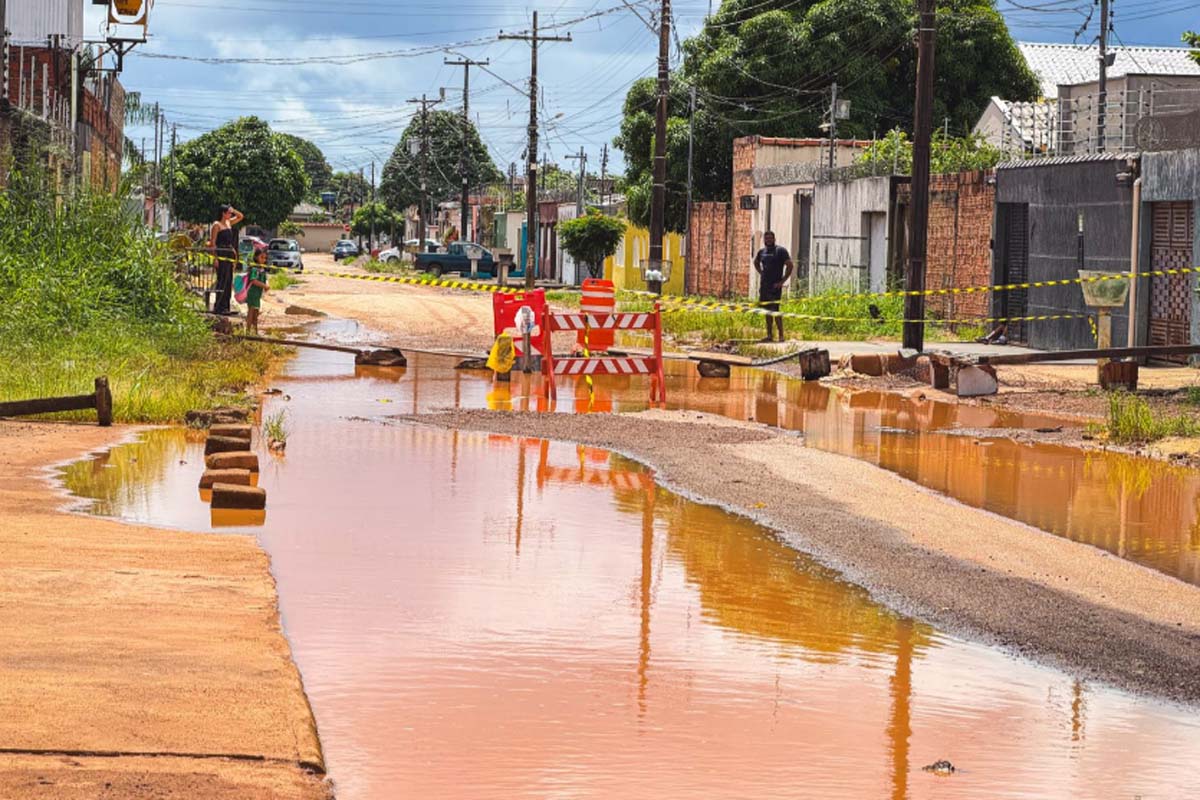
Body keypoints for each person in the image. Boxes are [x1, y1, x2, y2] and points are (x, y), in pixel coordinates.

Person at [753, 231, 794, 342]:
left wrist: (782, 281)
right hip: (764, 286)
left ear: (774, 239)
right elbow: (755, 262)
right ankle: (769, 335)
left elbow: (790, 265)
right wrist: (761, 272)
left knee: (775, 310)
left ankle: (781, 335)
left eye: (771, 238)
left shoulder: (780, 251)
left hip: (775, 287)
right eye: (766, 238)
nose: (768, 240)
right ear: (764, 240)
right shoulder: (762, 252)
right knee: (767, 311)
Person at [209, 204, 244, 315]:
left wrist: (233, 210)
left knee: (229, 280)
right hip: (221, 253)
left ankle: (226, 306)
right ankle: (219, 306)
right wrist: (215, 258)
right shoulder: (216, 225)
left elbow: (240, 216)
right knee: (222, 280)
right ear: (223, 213)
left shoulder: (229, 223)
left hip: (229, 253)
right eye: (228, 212)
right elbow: (213, 242)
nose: (230, 214)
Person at [244, 249, 270, 334]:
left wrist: (266, 285)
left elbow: (264, 280)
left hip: (257, 295)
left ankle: (255, 332)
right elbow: (253, 280)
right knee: (251, 313)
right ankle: (247, 333)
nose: (264, 260)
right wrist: (264, 286)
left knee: (255, 314)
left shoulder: (262, 269)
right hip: (252, 293)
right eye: (262, 257)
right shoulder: (254, 268)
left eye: (265, 258)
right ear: (256, 257)